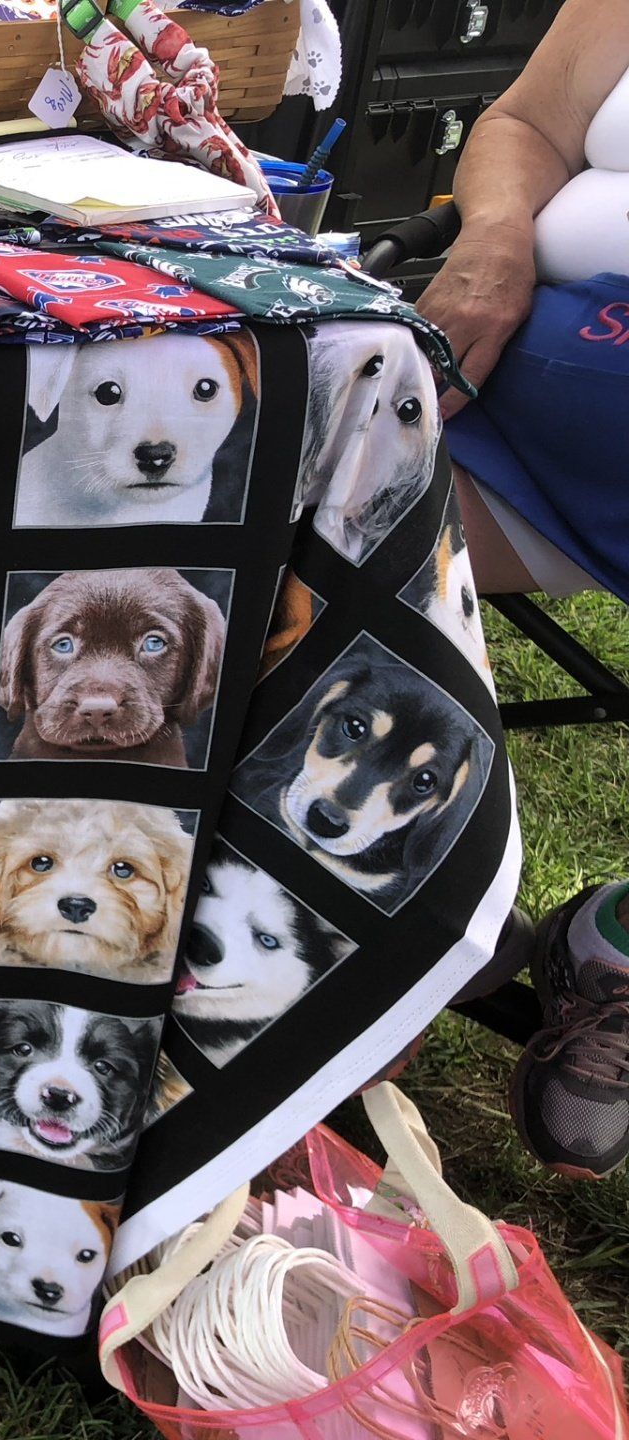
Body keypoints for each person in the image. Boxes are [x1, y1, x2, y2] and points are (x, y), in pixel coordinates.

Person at [414, 0, 629, 1181]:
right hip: (523, 401)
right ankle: (413, 891)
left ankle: (618, 952)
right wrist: (494, 234)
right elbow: (528, 122)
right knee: (285, 526)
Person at [418, 0, 629, 600]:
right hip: (503, 370)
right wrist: (495, 237)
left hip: (591, 429)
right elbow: (529, 124)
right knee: (261, 499)